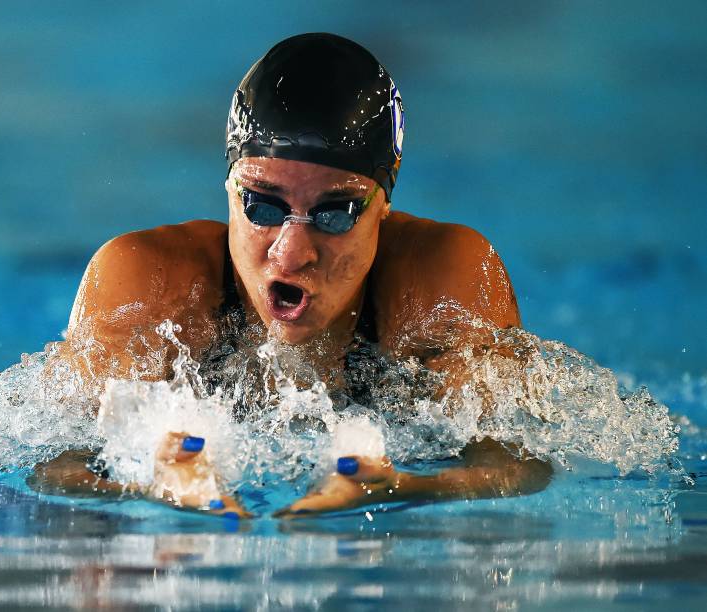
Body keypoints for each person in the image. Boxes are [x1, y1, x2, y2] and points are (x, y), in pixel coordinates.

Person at [31, 33, 551, 518]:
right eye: (262, 205)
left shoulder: (438, 281)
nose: (292, 252)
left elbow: (516, 462)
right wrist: (149, 489)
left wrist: (403, 490)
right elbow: (52, 466)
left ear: (383, 205)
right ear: (230, 189)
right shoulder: (151, 286)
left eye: (336, 212)